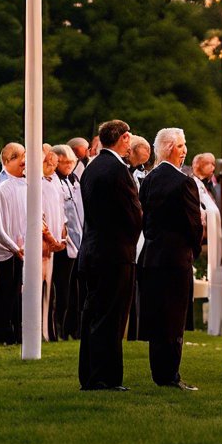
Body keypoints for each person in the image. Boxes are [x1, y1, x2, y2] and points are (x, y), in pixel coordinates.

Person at [77, 119, 143, 392]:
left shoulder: (92, 168)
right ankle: (106, 377)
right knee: (112, 318)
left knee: (93, 314)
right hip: (115, 253)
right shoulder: (117, 170)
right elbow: (133, 213)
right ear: (124, 138)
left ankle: (90, 375)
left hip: (93, 250)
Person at [136, 127, 203, 390]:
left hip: (152, 255)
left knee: (157, 318)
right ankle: (171, 376)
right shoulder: (184, 182)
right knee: (174, 319)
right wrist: (193, 250)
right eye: (181, 145)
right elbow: (194, 224)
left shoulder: (149, 180)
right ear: (169, 149)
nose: (185, 150)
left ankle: (159, 373)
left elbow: (143, 217)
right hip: (176, 258)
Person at [0, 143, 26, 345]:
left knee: (18, 295)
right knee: (4, 296)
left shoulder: (27, 186)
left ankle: (16, 335)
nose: (25, 162)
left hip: (21, 250)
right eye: (21, 157)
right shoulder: (1, 189)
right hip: (5, 252)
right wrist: (15, 247)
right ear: (9, 160)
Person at [52, 144, 84, 340]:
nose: (71, 166)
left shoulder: (73, 179)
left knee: (75, 291)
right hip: (62, 242)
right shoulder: (54, 181)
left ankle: (72, 327)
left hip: (77, 241)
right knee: (61, 290)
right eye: (67, 162)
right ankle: (59, 329)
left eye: (73, 162)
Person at [41, 145, 66, 341]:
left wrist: (62, 236)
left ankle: (48, 331)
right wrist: (50, 239)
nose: (52, 166)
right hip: (42, 244)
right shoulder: (36, 183)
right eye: (49, 163)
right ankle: (39, 331)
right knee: (38, 288)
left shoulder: (55, 180)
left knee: (50, 291)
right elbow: (39, 216)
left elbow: (61, 210)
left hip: (55, 243)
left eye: (54, 164)